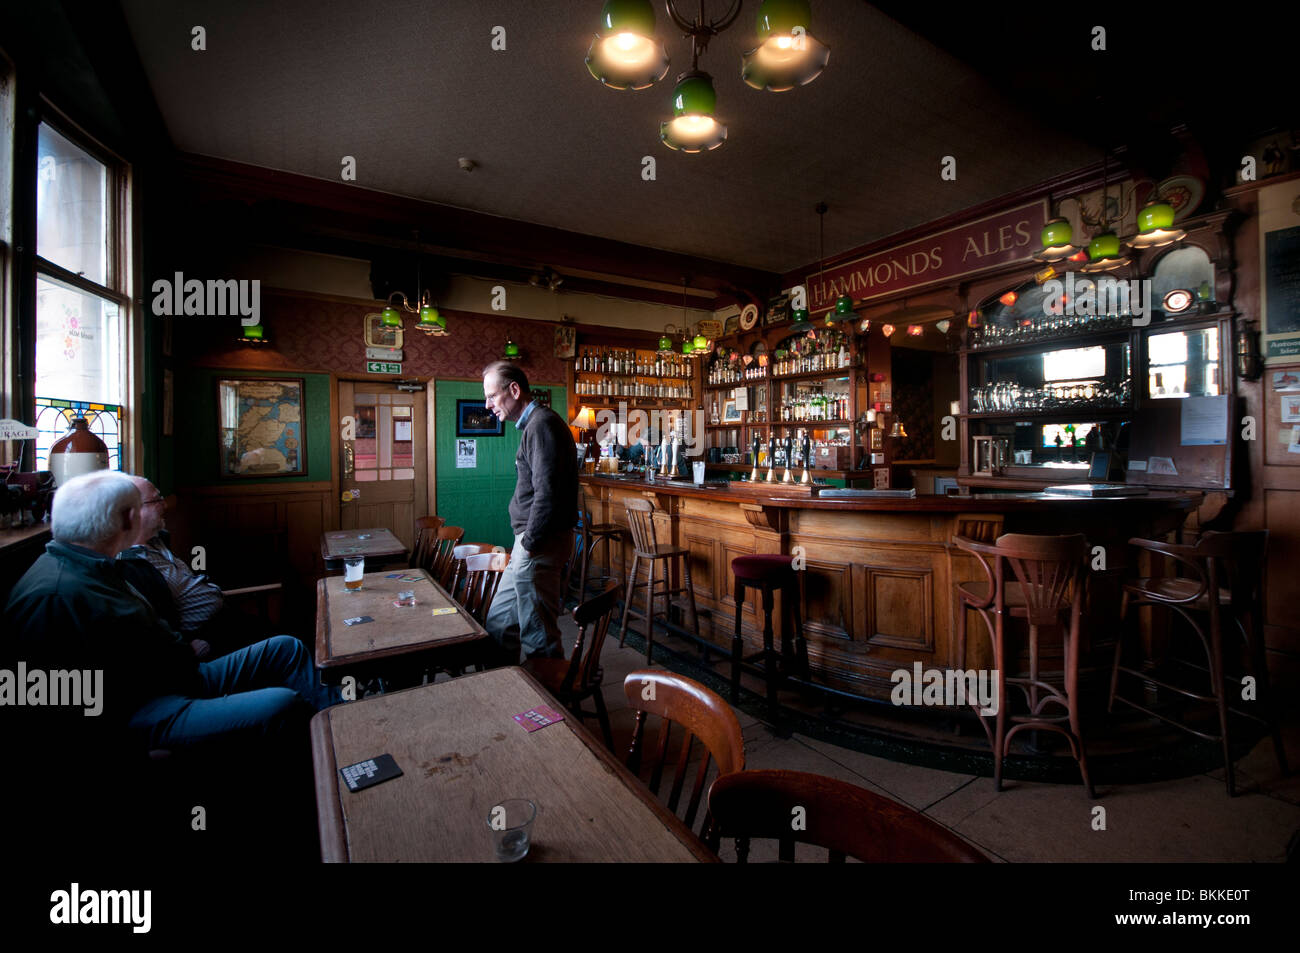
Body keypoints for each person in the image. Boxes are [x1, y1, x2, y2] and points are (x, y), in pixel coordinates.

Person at [481, 360, 578, 662]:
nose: (488, 405)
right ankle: (506, 693)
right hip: (530, 543)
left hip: (539, 544)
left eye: (492, 396)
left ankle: (550, 706)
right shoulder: (536, 424)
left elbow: (547, 495)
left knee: (538, 637)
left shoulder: (541, 424)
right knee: (498, 623)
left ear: (514, 389)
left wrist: (529, 543)